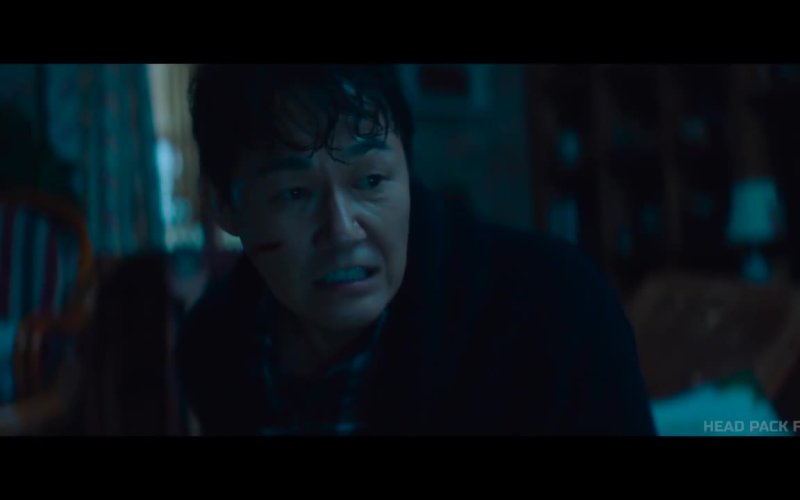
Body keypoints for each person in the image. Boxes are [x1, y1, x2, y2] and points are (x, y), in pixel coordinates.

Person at [175, 64, 657, 436]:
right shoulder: (215, 348)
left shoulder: (555, 311)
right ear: (223, 205)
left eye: (370, 181)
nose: (343, 231)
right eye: (295, 193)